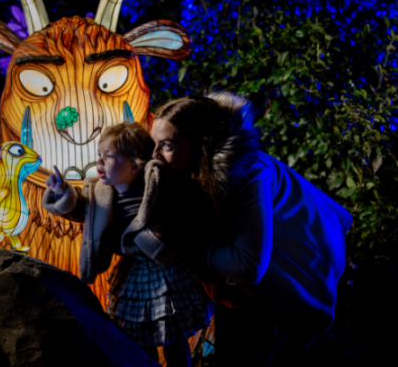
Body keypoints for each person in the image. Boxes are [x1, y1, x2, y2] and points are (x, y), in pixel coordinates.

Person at [149, 92, 352, 366]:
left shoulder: (247, 171)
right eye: (154, 144)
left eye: (167, 145)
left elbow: (248, 264)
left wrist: (185, 244)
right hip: (246, 285)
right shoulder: (185, 174)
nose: (155, 155)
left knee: (245, 357)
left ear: (200, 144)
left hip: (293, 273)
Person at [42, 122, 210, 367]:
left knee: (172, 335)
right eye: (99, 155)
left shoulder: (153, 187)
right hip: (131, 272)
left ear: (134, 165)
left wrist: (153, 238)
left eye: (109, 156)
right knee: (138, 337)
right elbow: (81, 209)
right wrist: (60, 192)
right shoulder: (100, 192)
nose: (100, 162)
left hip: (164, 271)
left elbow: (177, 216)